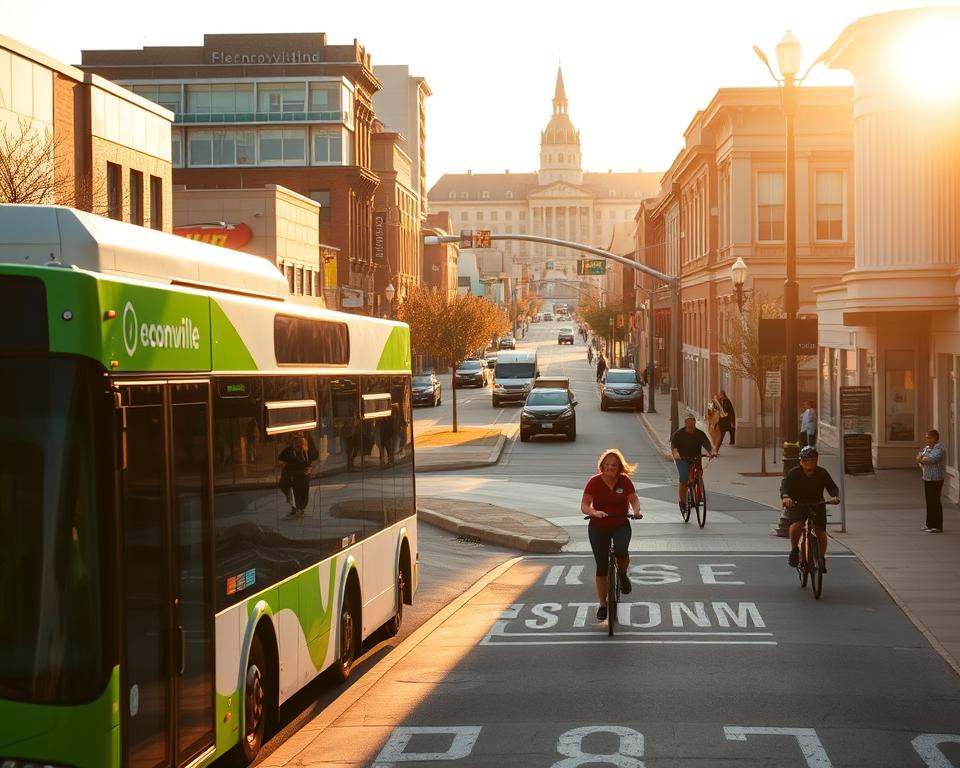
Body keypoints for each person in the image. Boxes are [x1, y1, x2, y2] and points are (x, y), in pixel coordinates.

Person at [581, 448, 643, 622]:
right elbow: (584, 505)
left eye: (614, 465)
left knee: (621, 549)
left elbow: (634, 499)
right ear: (602, 466)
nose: (610, 467)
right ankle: (602, 605)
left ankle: (622, 574)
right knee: (601, 566)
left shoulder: (625, 481)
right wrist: (593, 512)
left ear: (619, 467)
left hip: (620, 523)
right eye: (607, 464)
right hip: (598, 526)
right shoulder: (594, 482)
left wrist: (636, 511)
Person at [780, 445, 840, 571]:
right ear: (800, 461)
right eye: (806, 461)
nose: (809, 464)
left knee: (820, 531)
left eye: (812, 461)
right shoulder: (794, 473)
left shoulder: (822, 473)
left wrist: (835, 496)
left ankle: (821, 558)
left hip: (817, 504)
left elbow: (832, 486)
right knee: (798, 524)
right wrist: (786, 497)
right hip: (798, 504)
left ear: (816, 461)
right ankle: (795, 549)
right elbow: (785, 486)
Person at [671, 413, 716, 516]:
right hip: (682, 459)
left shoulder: (699, 434)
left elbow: (706, 443)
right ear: (685, 423)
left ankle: (698, 495)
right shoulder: (679, 434)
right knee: (684, 479)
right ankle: (682, 502)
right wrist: (676, 453)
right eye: (689, 421)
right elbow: (674, 446)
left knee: (699, 474)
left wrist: (711, 451)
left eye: (693, 421)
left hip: (696, 457)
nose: (692, 424)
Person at [279, 433, 318, 516]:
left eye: (299, 442)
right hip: (293, 474)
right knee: (291, 490)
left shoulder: (306, 451)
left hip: (302, 475)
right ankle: (295, 507)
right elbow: (281, 459)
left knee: (302, 491)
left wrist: (310, 468)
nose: (297, 444)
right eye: (295, 442)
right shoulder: (289, 451)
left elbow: (314, 458)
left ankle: (299, 508)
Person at [916, 429, 945, 533]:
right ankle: (929, 524)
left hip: (936, 478)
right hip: (927, 477)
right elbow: (918, 457)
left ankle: (937, 526)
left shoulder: (940, 448)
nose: (927, 440)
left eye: (928, 438)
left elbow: (932, 459)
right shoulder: (927, 448)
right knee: (929, 502)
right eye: (926, 438)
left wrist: (922, 459)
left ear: (934, 438)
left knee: (935, 502)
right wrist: (921, 459)